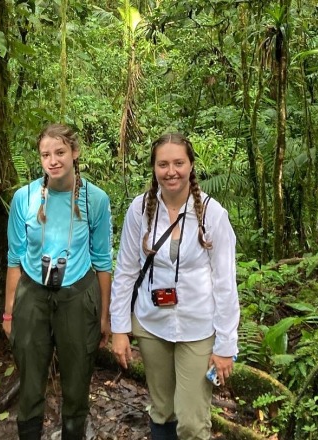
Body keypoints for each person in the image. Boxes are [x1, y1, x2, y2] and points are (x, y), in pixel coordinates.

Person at [110, 133, 240, 440]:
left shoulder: (212, 214)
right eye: (163, 164)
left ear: (191, 166)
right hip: (151, 323)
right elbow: (126, 271)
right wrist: (119, 329)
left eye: (179, 163)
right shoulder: (140, 209)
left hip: (197, 326)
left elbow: (225, 284)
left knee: (193, 423)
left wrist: (225, 346)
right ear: (154, 168)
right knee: (162, 411)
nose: (171, 171)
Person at [2, 123, 113, 440]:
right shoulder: (25, 197)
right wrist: (9, 312)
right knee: (31, 381)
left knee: (77, 383)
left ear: (75, 153)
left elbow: (103, 262)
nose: (53, 160)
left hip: (78, 295)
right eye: (46, 154)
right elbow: (14, 258)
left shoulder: (95, 200)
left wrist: (104, 317)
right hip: (32, 294)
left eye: (60, 152)